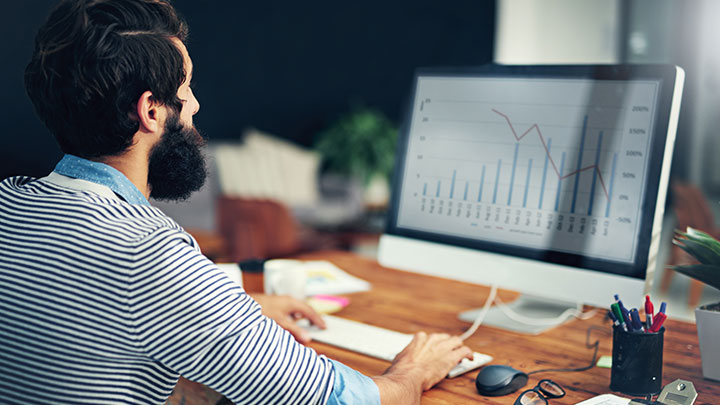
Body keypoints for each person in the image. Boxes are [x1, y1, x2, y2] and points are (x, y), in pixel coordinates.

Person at [0, 0, 472, 404]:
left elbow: (92, 308)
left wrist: (230, 308)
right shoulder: (150, 254)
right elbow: (344, 398)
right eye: (186, 90)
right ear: (151, 111)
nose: (196, 106)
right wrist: (413, 371)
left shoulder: (10, 202)